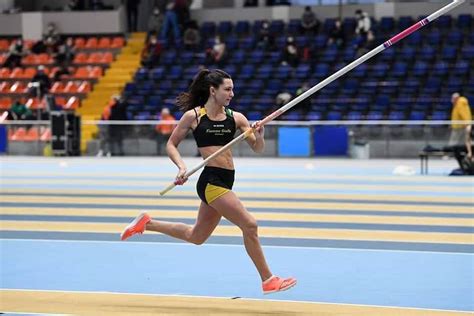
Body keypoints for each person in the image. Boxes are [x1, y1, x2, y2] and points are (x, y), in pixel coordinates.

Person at [120, 69, 297, 294]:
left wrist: (259, 134)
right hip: (211, 181)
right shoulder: (194, 117)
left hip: (226, 181)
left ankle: (146, 223)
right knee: (250, 225)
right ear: (213, 91)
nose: (232, 93)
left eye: (232, 89)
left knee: (197, 236)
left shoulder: (237, 118)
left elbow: (258, 148)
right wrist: (182, 168)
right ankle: (268, 279)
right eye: (228, 89)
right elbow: (171, 144)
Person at [446, 92, 473, 174]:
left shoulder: (460, 103)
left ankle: (465, 164)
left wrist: (467, 125)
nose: (451, 101)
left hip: (460, 129)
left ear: (456, 98)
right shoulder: (458, 104)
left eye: (452, 99)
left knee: (456, 146)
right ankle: (464, 163)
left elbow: (464, 115)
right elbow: (456, 116)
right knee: (457, 146)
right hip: (457, 127)